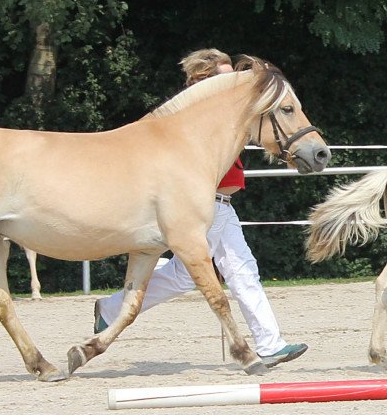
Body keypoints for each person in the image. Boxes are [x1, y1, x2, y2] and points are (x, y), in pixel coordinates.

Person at [94, 48, 308, 368]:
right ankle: (269, 343)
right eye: (225, 78)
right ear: (202, 81)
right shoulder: (197, 124)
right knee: (239, 270)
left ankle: (110, 309)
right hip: (209, 205)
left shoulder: (225, 121)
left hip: (221, 204)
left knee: (191, 275)